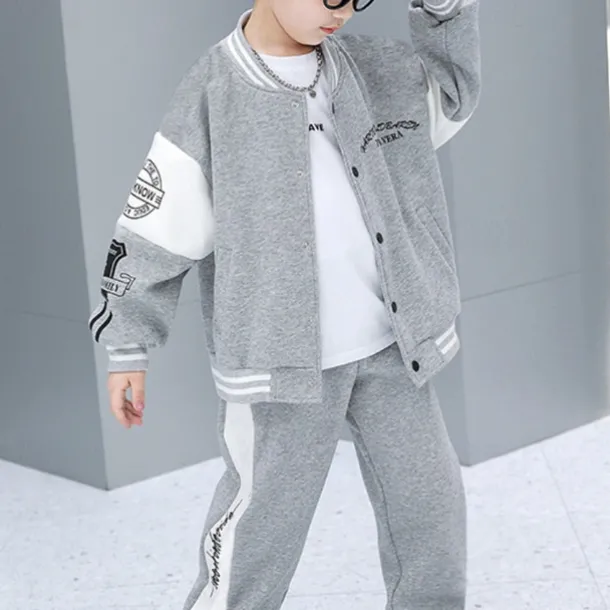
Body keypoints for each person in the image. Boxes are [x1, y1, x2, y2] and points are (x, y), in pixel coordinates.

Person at [88, 0, 480, 607]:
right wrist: (127, 347)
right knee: (258, 537)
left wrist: (443, 7)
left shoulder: (380, 70)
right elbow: (155, 231)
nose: (344, 14)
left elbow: (452, 93)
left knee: (432, 513)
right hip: (282, 372)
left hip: (393, 351)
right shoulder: (214, 92)